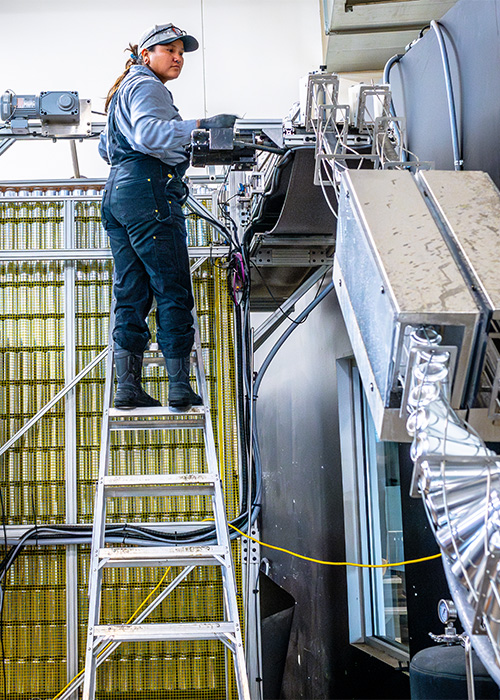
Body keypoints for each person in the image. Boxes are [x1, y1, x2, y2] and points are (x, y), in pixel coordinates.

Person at [99, 23, 237, 410]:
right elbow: (150, 134)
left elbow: (106, 151)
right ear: (146, 55)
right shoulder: (147, 87)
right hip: (150, 192)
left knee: (131, 292)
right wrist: (199, 128)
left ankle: (127, 388)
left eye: (181, 52)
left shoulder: (122, 92)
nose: (178, 57)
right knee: (172, 288)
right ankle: (179, 387)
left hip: (119, 194)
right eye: (169, 50)